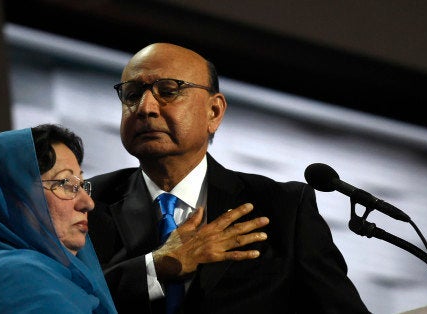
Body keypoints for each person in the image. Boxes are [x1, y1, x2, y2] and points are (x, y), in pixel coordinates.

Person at [87, 43, 370, 313]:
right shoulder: (87, 203)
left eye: (168, 90)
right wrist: (157, 266)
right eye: (133, 94)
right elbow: (61, 298)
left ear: (214, 111)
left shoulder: (283, 208)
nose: (145, 107)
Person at [0, 124, 117, 313]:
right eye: (66, 184)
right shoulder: (22, 281)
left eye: (82, 185)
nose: (88, 203)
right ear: (12, 196)